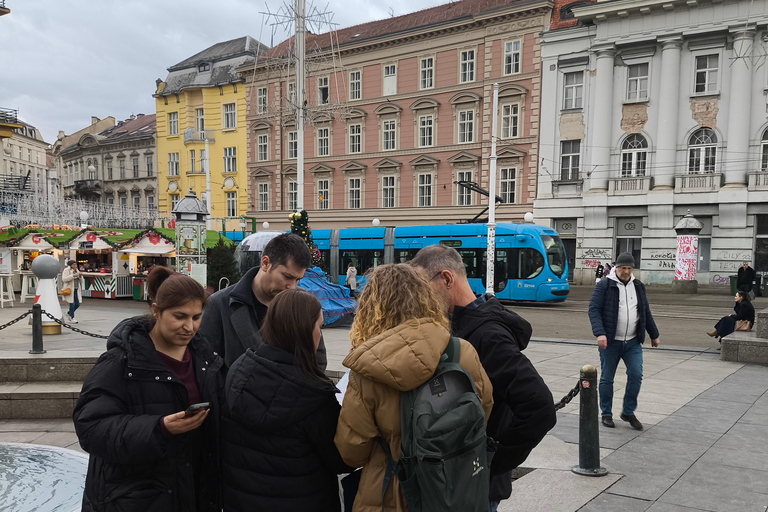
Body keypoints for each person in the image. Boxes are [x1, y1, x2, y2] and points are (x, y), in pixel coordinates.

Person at [334, 263, 493, 512]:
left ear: (370, 309)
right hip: (451, 486)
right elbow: (482, 411)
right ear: (425, 298)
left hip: (387, 492)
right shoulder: (461, 351)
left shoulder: (366, 370)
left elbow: (352, 450)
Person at [410, 245, 556, 511]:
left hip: (475, 481)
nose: (420, 295)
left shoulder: (487, 335)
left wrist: (492, 461)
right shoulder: (464, 323)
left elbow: (540, 407)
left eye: (423, 285)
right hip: (461, 473)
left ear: (446, 279)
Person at [73, 266, 224, 512]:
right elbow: (90, 427)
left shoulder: (206, 357)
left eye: (196, 317)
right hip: (137, 499)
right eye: (180, 316)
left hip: (194, 491)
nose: (190, 326)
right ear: (156, 311)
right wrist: (158, 428)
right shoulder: (119, 362)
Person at [221, 289, 353, 512]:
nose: (319, 334)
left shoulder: (239, 369)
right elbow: (341, 459)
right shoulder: (314, 394)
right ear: (303, 330)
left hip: (242, 500)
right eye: (318, 326)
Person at [199, 233, 327, 370]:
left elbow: (318, 360)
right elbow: (205, 363)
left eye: (297, 280)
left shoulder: (302, 304)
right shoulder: (219, 304)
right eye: (287, 277)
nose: (292, 286)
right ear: (265, 263)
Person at [588, 252, 660, 431]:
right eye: (622, 268)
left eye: (629, 268)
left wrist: (654, 334)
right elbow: (594, 310)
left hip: (633, 342)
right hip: (611, 342)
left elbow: (645, 312)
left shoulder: (638, 286)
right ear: (616, 268)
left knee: (636, 375)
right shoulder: (605, 285)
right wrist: (600, 333)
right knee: (607, 378)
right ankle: (606, 413)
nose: (626, 271)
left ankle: (628, 411)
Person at [62, 259, 84, 323]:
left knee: (77, 304)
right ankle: (72, 317)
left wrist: (80, 276)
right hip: (70, 289)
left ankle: (69, 313)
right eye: (74, 264)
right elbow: (64, 279)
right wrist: (73, 276)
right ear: (71, 265)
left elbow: (81, 281)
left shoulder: (76, 270)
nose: (75, 265)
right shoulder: (66, 270)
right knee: (72, 303)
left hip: (76, 289)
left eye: (75, 264)